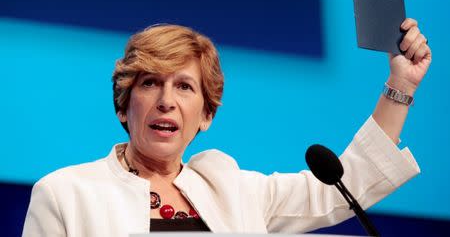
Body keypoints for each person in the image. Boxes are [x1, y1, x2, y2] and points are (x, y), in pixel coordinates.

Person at [22, 19, 431, 236]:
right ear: (124, 106)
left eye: (184, 86)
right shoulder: (64, 195)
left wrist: (401, 85)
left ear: (206, 115)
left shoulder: (230, 188)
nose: (166, 100)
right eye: (150, 83)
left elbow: (343, 188)